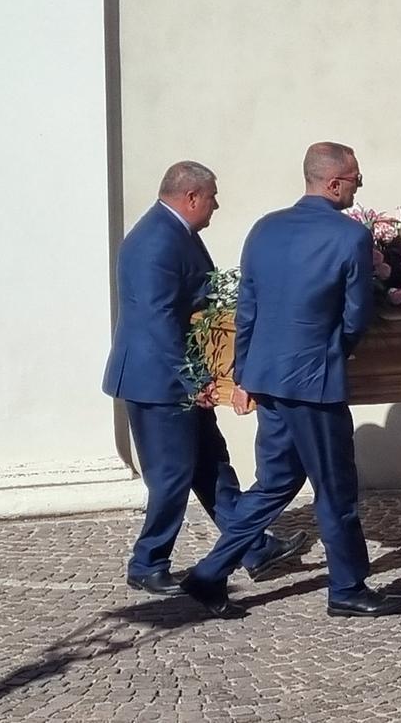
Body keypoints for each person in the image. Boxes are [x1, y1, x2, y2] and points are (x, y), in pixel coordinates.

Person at [181, 142, 401, 619]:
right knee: (335, 488)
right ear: (332, 183)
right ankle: (347, 588)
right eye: (355, 178)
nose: (359, 186)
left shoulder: (265, 228)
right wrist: (334, 354)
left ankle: (208, 574)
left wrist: (244, 372)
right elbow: (355, 317)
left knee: (275, 483)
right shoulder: (349, 237)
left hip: (269, 378)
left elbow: (248, 308)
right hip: (314, 383)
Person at [103, 161, 306, 596]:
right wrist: (194, 379)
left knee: (213, 468)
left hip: (175, 378)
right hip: (159, 383)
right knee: (173, 476)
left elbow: (199, 298)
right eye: (212, 196)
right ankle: (147, 562)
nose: (217, 205)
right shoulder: (157, 239)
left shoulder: (177, 234)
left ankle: (251, 548)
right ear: (191, 197)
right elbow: (159, 320)